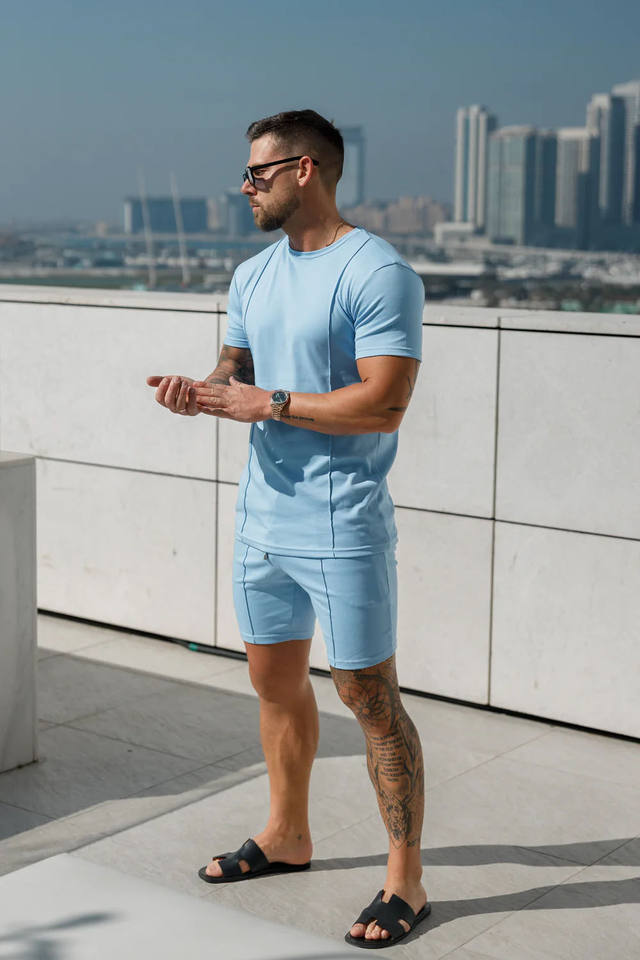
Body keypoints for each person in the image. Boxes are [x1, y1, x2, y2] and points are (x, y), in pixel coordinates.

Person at [146, 109, 429, 948]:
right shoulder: (253, 275)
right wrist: (200, 392)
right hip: (260, 519)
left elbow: (385, 403)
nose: (244, 187)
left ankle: (406, 880)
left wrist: (266, 403)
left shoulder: (379, 273)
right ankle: (287, 835)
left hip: (342, 523)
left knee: (368, 697)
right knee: (273, 683)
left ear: (306, 170)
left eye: (257, 174)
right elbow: (235, 368)